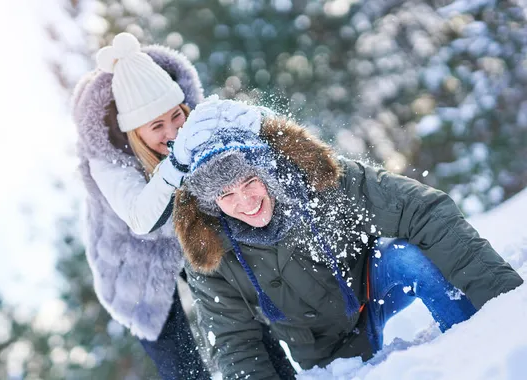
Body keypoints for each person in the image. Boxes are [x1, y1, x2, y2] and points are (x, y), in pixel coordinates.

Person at [171, 100, 524, 379]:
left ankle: (480, 348)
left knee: (409, 258)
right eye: (226, 195)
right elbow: (236, 343)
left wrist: (508, 303)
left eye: (250, 182)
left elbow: (423, 210)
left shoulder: (321, 183)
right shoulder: (210, 252)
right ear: (210, 203)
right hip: (325, 349)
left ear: (269, 169)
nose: (245, 202)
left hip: (370, 286)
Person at [71, 33, 295, 379]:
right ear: (134, 133)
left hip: (185, 232)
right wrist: (178, 161)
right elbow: (140, 218)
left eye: (176, 116)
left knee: (239, 317)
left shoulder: (195, 123)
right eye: (157, 126)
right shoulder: (106, 158)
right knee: (180, 363)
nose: (173, 131)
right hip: (132, 261)